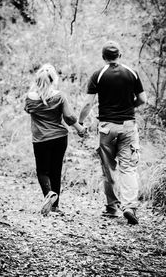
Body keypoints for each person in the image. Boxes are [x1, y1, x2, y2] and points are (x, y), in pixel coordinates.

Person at [78, 41, 147, 225]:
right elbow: (143, 99)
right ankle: (130, 207)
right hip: (128, 126)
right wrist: (129, 106)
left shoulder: (98, 75)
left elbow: (87, 104)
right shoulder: (131, 73)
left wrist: (80, 122)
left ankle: (112, 208)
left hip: (107, 127)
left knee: (108, 169)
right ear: (120, 55)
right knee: (129, 167)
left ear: (103, 57)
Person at [24, 63, 86, 216]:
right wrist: (80, 129)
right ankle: (55, 206)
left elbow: (27, 110)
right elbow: (69, 117)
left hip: (40, 139)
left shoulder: (30, 98)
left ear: (37, 80)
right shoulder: (59, 96)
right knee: (56, 171)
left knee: (42, 171)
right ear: (53, 80)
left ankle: (48, 195)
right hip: (59, 137)